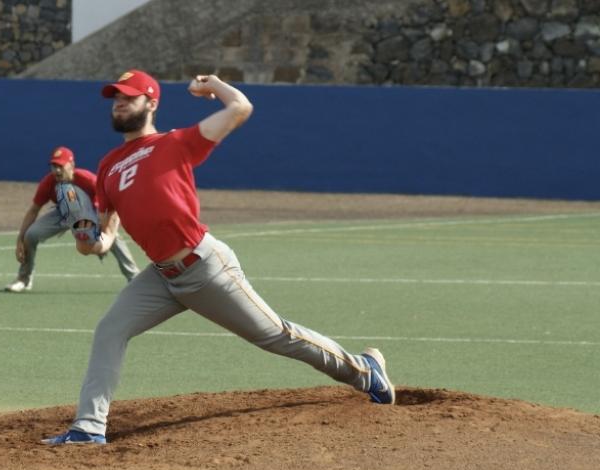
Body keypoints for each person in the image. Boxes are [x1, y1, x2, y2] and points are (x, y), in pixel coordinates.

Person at [43, 70, 395, 445]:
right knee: (110, 330)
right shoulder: (109, 165)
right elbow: (106, 234)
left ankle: (365, 372)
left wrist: (212, 85)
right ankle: (89, 427)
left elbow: (240, 108)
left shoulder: (176, 143)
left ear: (152, 103)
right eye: (116, 97)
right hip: (162, 277)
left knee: (277, 335)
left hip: (204, 266)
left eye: (129, 96)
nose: (119, 102)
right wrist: (87, 241)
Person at [5, 146, 139, 292]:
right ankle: (24, 279)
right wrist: (20, 238)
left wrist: (104, 228)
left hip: (89, 213)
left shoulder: (88, 179)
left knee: (113, 237)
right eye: (54, 166)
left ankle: (134, 278)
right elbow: (33, 211)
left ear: (71, 166)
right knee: (30, 235)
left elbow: (110, 202)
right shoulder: (48, 183)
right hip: (63, 214)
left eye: (60, 166)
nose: (56, 170)